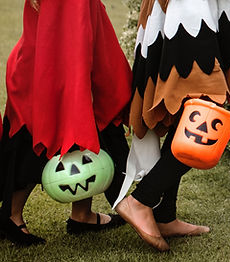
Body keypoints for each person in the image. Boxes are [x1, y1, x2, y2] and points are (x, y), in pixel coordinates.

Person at [114, 0, 230, 252]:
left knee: (186, 111)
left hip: (199, 10)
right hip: (188, 13)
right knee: (203, 112)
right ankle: (141, 200)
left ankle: (165, 216)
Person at [0, 0, 133, 246]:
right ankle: (12, 215)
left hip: (65, 59)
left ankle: (82, 215)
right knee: (37, 136)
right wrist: (80, 84)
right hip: (53, 66)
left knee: (87, 133)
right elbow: (74, 34)